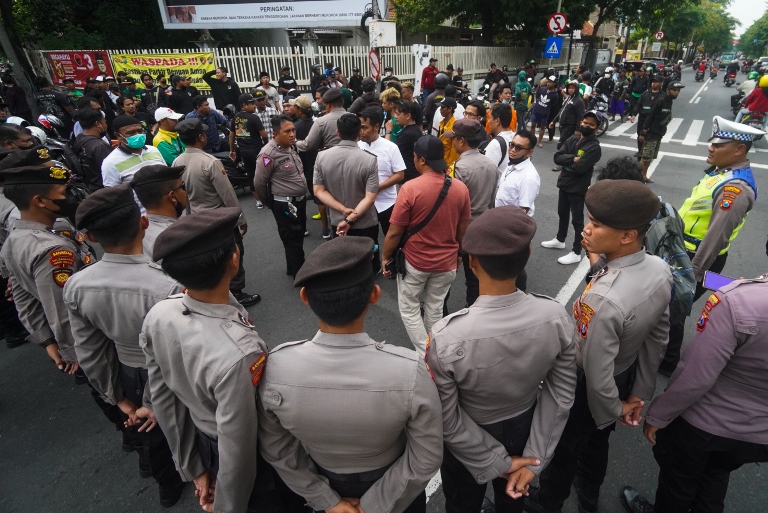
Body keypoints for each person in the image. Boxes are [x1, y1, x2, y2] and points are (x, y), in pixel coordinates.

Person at [258, 236, 443, 513]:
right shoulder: (409, 370)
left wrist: (325, 499)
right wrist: (375, 504)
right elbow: (426, 455)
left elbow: (277, 450)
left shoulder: (274, 367)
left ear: (305, 297)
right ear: (374, 295)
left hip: (322, 480)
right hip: (395, 486)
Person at [142, 207, 305, 513]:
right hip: (245, 457)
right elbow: (239, 444)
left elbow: (163, 398)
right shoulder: (240, 353)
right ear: (234, 259)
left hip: (205, 443)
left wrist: (194, 469)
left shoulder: (160, 315)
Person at [524, 179, 673, 513]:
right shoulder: (660, 269)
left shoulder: (603, 299)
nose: (586, 229)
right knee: (596, 442)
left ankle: (548, 502)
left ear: (627, 235)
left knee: (564, 449)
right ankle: (589, 494)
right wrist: (638, 392)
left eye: (596, 224)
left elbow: (594, 369)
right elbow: (658, 335)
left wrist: (615, 408)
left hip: (586, 386)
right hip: (623, 374)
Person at [428, 206, 576, 513]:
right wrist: (534, 458)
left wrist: (494, 461)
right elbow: (560, 396)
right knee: (513, 499)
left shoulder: (446, 336)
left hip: (469, 436)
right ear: (529, 254)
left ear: (472, 262)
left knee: (461, 501)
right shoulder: (554, 316)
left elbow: (447, 417)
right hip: (525, 426)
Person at [65, 185, 185, 507]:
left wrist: (116, 396)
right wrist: (153, 399)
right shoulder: (167, 283)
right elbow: (175, 349)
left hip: (126, 368)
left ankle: (165, 483)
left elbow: (89, 350)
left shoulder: (78, 284)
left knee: (147, 432)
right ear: (143, 222)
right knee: (180, 423)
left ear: (90, 237)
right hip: (167, 372)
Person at [621, 259, 768, 513]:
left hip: (705, 423)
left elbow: (696, 376)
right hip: (757, 434)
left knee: (678, 483)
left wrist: (659, 415)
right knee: (716, 473)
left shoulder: (738, 301)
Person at [660, 116, 764, 376]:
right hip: (683, 251)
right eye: (712, 143)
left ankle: (668, 361)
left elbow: (716, 236)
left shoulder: (735, 188)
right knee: (670, 304)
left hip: (698, 258)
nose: (711, 148)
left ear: (739, 149)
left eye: (719, 145)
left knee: (674, 306)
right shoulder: (722, 172)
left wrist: (692, 275)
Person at [382, 135, 471, 356]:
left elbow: (394, 231)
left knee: (410, 308)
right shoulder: (460, 188)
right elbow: (463, 228)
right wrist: (458, 254)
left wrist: (385, 258)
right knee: (435, 307)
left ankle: (427, 355)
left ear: (421, 160)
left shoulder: (410, 188)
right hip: (446, 262)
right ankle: (437, 349)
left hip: (416, 261)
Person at [173, 118, 261, 308]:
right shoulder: (210, 162)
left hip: (195, 218)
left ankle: (218, 288)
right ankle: (236, 292)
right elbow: (227, 195)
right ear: (201, 137)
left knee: (210, 255)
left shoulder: (177, 161)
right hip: (219, 219)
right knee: (234, 251)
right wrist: (240, 219)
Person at [313, 114, 380, 270]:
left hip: (338, 220)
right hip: (365, 221)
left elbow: (318, 190)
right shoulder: (369, 159)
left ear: (338, 133)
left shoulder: (322, 157)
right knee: (368, 262)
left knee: (345, 262)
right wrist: (350, 219)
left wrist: (343, 210)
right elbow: (370, 198)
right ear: (360, 133)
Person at [444, 118, 498, 306]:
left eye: (454, 138)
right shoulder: (491, 164)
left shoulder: (458, 168)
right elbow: (492, 199)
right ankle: (474, 309)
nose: (451, 141)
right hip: (483, 225)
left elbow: (450, 204)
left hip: (461, 229)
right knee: (475, 276)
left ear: (461, 141)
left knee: (446, 276)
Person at [541, 110, 603, 265]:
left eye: (591, 124)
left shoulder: (594, 147)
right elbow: (557, 157)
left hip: (578, 188)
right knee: (562, 213)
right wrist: (573, 159)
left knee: (577, 221)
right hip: (564, 184)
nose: (587, 126)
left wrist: (569, 161)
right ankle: (560, 239)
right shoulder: (573, 139)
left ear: (597, 128)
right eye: (585, 122)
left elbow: (580, 168)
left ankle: (577, 251)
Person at [254, 115, 308, 278]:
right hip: (285, 204)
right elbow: (259, 183)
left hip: (299, 201)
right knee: (292, 239)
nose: (292, 134)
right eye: (287, 131)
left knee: (297, 236)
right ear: (276, 134)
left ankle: (294, 267)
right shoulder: (268, 153)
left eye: (293, 130)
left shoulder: (291, 147)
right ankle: (300, 275)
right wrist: (269, 202)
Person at [357, 107, 405, 238]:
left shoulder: (390, 147)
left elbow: (400, 174)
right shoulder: (357, 146)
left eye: (364, 128)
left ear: (376, 126)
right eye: (359, 127)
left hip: (387, 203)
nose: (361, 132)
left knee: (392, 238)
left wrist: (378, 188)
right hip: (364, 204)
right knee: (367, 242)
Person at [130, 164, 187, 257]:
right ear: (172, 196)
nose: (185, 192)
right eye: (182, 187)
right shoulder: (178, 237)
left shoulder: (138, 234)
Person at [101, 115, 165, 193]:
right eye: (131, 133)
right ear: (118, 136)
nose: (137, 135)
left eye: (140, 131)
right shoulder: (110, 162)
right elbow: (113, 195)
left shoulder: (154, 150)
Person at [638, 80, 685, 183]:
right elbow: (650, 115)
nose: (677, 92)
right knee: (645, 157)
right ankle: (636, 176)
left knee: (650, 157)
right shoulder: (661, 100)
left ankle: (644, 176)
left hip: (659, 133)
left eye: (678, 91)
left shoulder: (669, 100)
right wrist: (643, 132)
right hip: (651, 133)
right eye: (674, 90)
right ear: (668, 90)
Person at [229, 93, 268, 204]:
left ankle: (258, 201)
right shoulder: (254, 118)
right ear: (244, 105)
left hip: (244, 152)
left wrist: (232, 150)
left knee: (251, 175)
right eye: (251, 103)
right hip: (257, 151)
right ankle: (266, 197)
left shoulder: (236, 117)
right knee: (263, 174)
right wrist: (266, 145)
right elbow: (264, 135)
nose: (255, 105)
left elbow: (231, 135)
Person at [495, 129, 541, 217]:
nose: (512, 150)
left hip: (510, 223)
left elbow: (523, 211)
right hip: (499, 217)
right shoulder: (512, 163)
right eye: (512, 145)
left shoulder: (529, 177)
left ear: (529, 152)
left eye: (519, 148)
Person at [70, 107, 112, 192]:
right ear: (98, 124)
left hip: (89, 187)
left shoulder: (77, 139)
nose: (106, 126)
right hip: (104, 189)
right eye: (105, 122)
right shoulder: (99, 146)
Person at [630, 74, 664, 156]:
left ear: (660, 84)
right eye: (653, 82)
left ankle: (648, 152)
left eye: (656, 82)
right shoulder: (645, 94)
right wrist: (634, 114)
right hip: (643, 117)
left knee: (650, 136)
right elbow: (638, 104)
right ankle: (640, 151)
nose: (653, 84)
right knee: (640, 135)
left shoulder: (662, 96)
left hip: (654, 120)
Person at [393, 100, 423, 184]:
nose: (396, 117)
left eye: (398, 114)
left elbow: (390, 150)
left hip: (407, 178)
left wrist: (388, 131)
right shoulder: (414, 129)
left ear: (408, 116)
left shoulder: (408, 134)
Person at [482, 103, 516, 175]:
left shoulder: (495, 144)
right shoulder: (516, 137)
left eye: (490, 117)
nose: (488, 121)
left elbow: (486, 173)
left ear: (497, 121)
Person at [530, 77, 559, 148]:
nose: (549, 83)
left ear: (554, 84)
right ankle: (531, 140)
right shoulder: (542, 89)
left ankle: (539, 141)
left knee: (542, 127)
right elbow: (537, 97)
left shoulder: (555, 95)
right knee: (533, 125)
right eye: (548, 82)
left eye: (551, 82)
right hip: (536, 110)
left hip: (545, 113)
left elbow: (552, 104)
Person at [437, 97, 460, 167]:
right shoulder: (442, 124)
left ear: (450, 109)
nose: (440, 110)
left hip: (447, 165)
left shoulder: (454, 127)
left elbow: (454, 152)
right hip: (441, 161)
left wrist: (448, 168)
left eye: (442, 107)